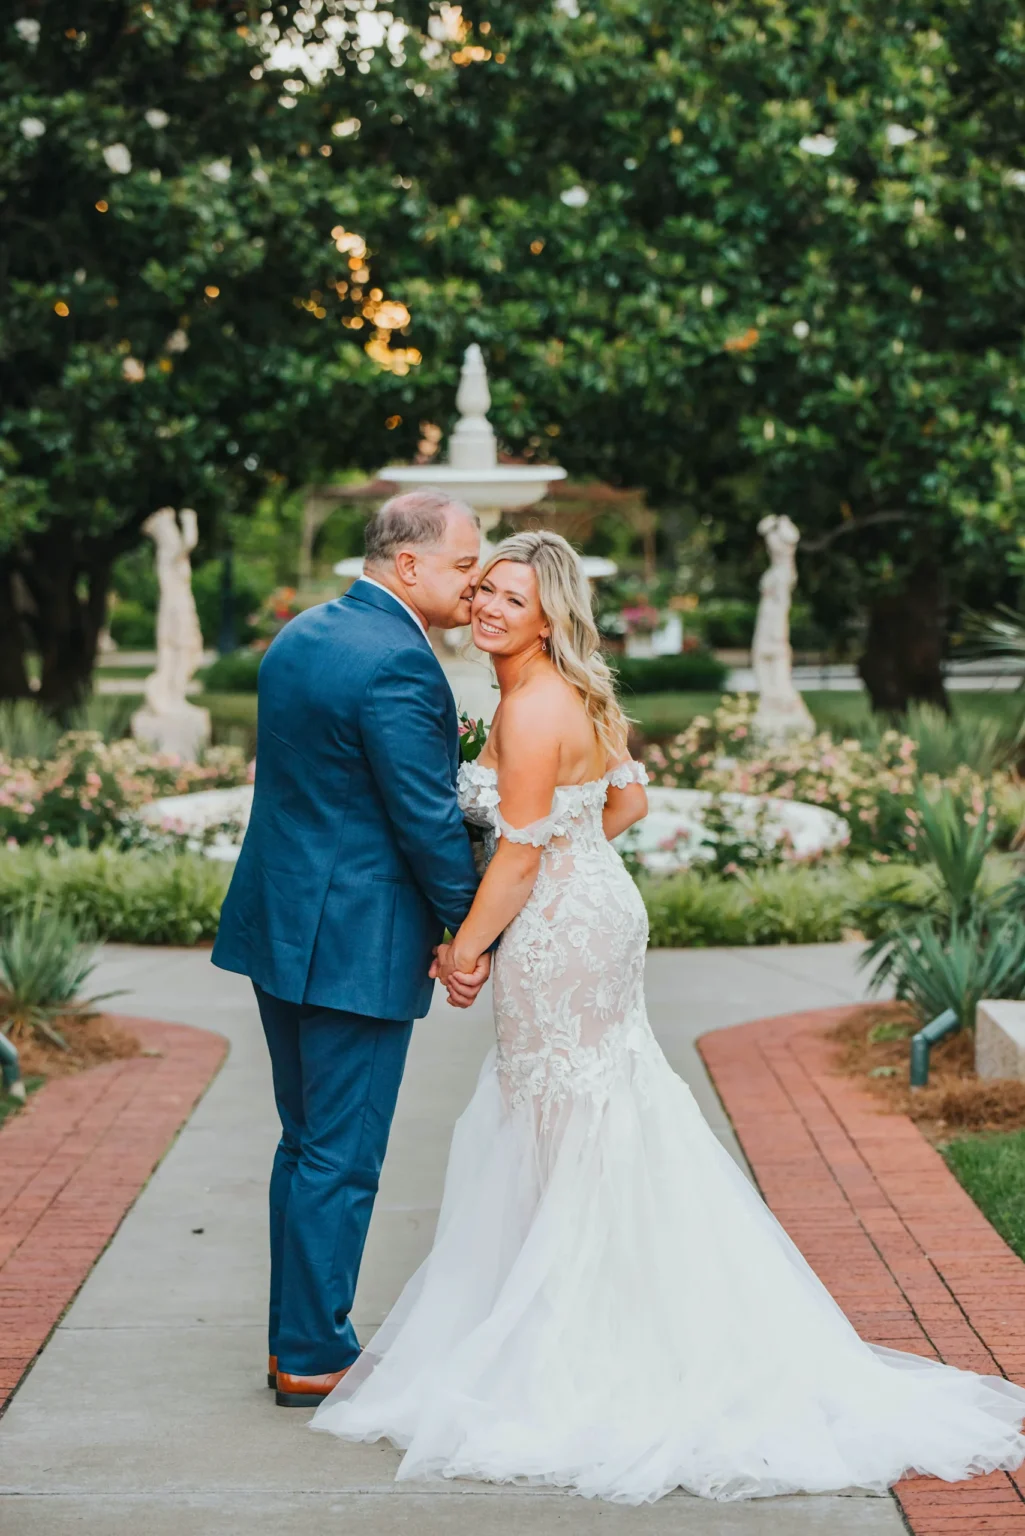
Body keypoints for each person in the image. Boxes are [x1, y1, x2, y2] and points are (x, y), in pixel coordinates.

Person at [312, 529, 1025, 1503]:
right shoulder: (569, 695)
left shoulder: (529, 711)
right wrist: (564, 851)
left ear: (549, 615)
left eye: (509, 600)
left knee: (563, 1114)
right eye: (479, 590)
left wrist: (464, 944)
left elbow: (518, 856)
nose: (483, 608)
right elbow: (626, 805)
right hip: (595, 906)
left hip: (559, 930)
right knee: (594, 1108)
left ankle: (577, 1342)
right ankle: (589, 1312)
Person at [212, 490, 491, 1408]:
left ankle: (294, 1338)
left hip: (281, 925)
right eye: (463, 563)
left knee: (305, 1143)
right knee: (342, 1153)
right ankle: (312, 1353)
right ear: (407, 564)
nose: (476, 577)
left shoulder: (303, 634)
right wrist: (465, 929)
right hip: (355, 944)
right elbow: (423, 819)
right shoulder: (402, 666)